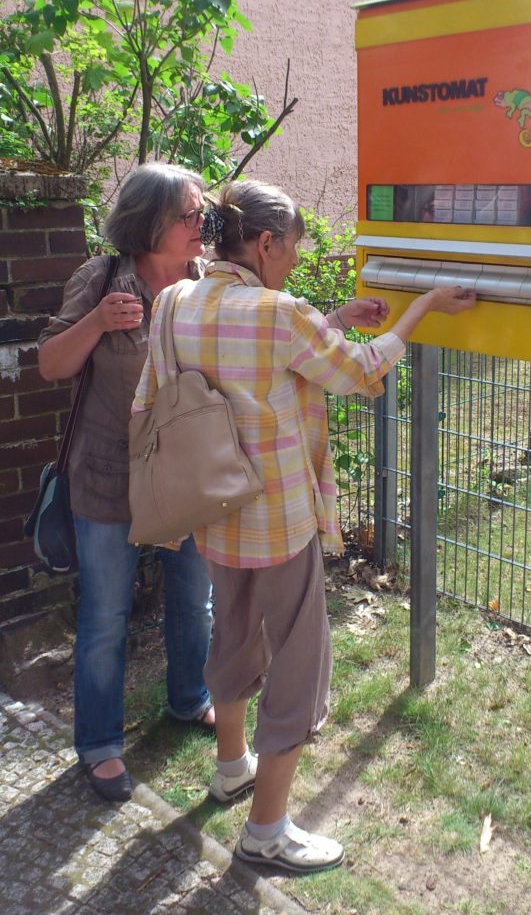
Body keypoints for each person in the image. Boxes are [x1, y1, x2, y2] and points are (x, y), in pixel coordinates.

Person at [133, 179, 476, 872]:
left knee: (230, 634)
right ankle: (266, 831)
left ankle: (232, 767)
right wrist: (420, 314)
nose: (293, 260)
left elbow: (251, 363)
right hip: (276, 518)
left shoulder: (174, 299)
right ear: (263, 243)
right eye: (290, 247)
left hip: (208, 507)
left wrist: (335, 317)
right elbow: (357, 371)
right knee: (296, 664)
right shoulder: (276, 311)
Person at [38, 163, 216, 804]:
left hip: (186, 477)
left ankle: (189, 697)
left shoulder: (203, 283)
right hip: (108, 479)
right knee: (106, 617)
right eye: (191, 215)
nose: (204, 224)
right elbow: (51, 366)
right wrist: (97, 324)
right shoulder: (102, 279)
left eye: (204, 212)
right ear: (149, 224)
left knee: (195, 599)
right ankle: (100, 745)